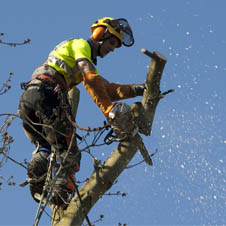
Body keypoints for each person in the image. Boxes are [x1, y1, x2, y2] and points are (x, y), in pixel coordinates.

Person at [18, 17, 145, 206]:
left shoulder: (78, 55)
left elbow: (106, 89)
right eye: (111, 43)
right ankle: (63, 194)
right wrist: (110, 112)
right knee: (69, 151)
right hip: (47, 95)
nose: (112, 49)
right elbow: (90, 78)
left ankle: (37, 180)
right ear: (100, 34)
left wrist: (137, 89)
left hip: (29, 99)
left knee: (45, 146)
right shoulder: (81, 46)